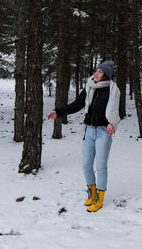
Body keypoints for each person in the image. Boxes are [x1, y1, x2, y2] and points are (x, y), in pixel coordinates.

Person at [47, 61, 120, 212]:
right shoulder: (89, 87)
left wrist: (112, 123)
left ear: (106, 75)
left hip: (103, 132)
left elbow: (120, 111)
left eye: (100, 72)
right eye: (96, 71)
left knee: (100, 167)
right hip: (88, 130)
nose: (96, 73)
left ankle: (99, 199)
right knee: (86, 165)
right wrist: (58, 112)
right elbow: (76, 105)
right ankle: (91, 193)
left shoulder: (113, 90)